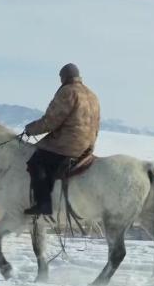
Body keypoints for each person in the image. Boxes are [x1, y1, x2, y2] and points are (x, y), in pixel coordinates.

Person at [22, 63, 101, 216]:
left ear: (64, 77)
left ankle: (43, 204)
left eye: (60, 78)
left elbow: (51, 121)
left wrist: (30, 129)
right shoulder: (92, 94)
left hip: (68, 144)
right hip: (87, 145)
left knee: (36, 162)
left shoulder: (68, 92)